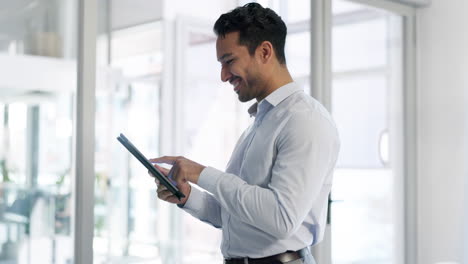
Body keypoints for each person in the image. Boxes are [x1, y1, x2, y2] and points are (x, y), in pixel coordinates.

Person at [150, 3, 340, 264]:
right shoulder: (260, 124)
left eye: (229, 61)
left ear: (264, 52)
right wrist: (187, 194)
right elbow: (234, 214)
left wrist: (201, 173)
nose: (223, 75)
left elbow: (281, 218)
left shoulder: (305, 120)